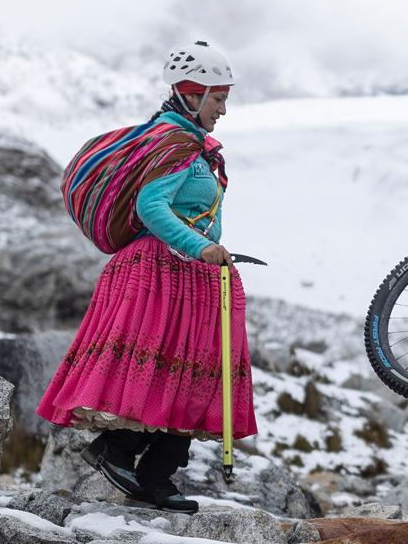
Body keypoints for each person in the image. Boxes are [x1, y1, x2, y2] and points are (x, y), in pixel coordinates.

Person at [37, 40, 256, 512]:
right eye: (218, 99)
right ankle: (122, 455)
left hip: (187, 271)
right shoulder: (174, 143)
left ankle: (157, 474)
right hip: (161, 268)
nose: (222, 110)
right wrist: (202, 246)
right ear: (192, 94)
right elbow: (150, 206)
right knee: (162, 367)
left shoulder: (191, 146)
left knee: (191, 373)